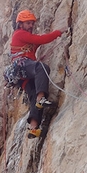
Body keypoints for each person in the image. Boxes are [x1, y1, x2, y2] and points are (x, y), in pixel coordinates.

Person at [10, 9, 65, 138]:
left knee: (33, 97)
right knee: (41, 67)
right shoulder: (19, 34)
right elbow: (40, 39)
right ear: (20, 24)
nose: (31, 26)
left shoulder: (23, 38)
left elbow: (34, 44)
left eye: (31, 23)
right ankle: (42, 99)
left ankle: (33, 128)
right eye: (28, 23)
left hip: (22, 76)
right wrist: (58, 33)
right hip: (22, 65)